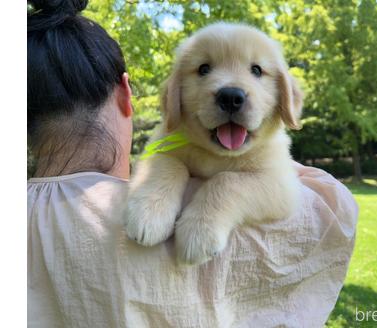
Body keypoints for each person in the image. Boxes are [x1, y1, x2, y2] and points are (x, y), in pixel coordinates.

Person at [27, 0, 358, 327]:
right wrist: (165, 179)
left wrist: (221, 197)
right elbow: (329, 207)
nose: (231, 91)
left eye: (256, 70)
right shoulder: (169, 147)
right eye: (203, 69)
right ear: (172, 95)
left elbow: (279, 189)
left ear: (286, 94)